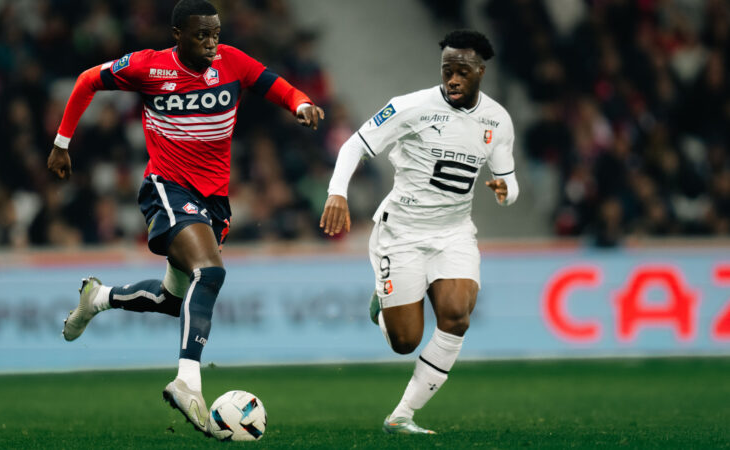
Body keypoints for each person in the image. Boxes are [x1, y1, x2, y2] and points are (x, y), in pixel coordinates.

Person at [46, 0, 324, 436]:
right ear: (178, 34)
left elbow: (278, 86)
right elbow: (86, 81)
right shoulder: (148, 68)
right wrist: (62, 143)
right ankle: (187, 381)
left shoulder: (232, 61)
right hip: (167, 188)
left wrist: (301, 103)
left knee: (174, 300)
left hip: (214, 201)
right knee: (210, 272)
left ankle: (98, 298)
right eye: (201, 35)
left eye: (215, 33)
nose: (212, 42)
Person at [319, 30, 518, 435]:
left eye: (463, 71)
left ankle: (402, 415)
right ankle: (383, 306)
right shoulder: (410, 107)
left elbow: (509, 181)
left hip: (454, 232)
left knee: (457, 315)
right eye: (447, 70)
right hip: (403, 232)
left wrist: (505, 192)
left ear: (480, 71)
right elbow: (353, 145)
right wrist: (336, 192)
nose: (453, 79)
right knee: (405, 342)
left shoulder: (497, 120)